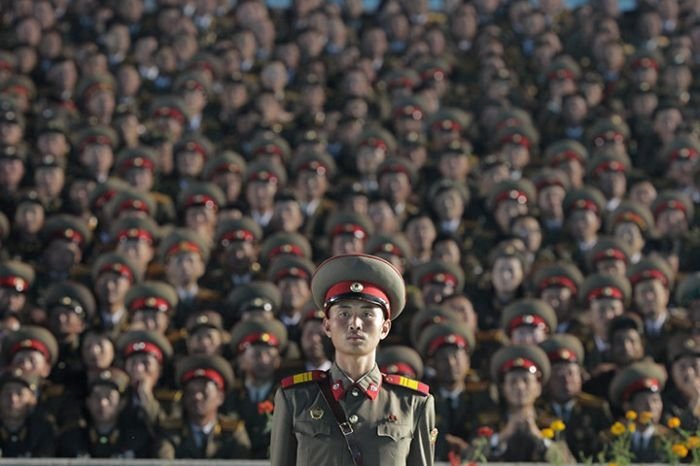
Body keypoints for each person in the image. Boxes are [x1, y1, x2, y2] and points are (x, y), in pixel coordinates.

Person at [270, 253, 436, 465]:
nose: (355, 323)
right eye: (344, 314)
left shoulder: (412, 403)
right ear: (327, 326)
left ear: (385, 328)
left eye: (367, 314)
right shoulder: (296, 398)